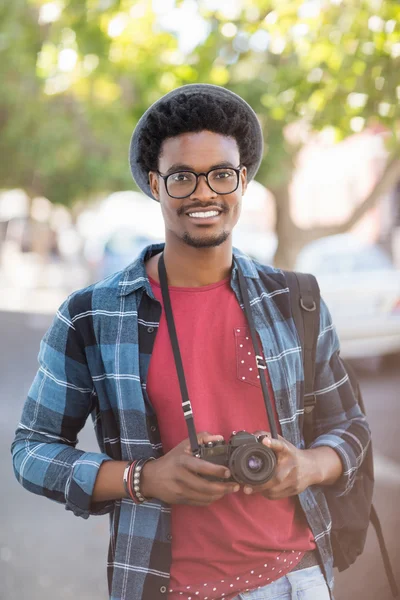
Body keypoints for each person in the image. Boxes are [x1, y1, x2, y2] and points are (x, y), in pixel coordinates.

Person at [11, 84, 371, 600]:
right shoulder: (91, 315)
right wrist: (144, 479)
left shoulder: (297, 300)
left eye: (221, 174)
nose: (204, 193)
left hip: (299, 580)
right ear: (156, 185)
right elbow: (30, 451)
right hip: (167, 588)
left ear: (243, 181)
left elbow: (350, 426)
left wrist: (306, 466)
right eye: (182, 177)